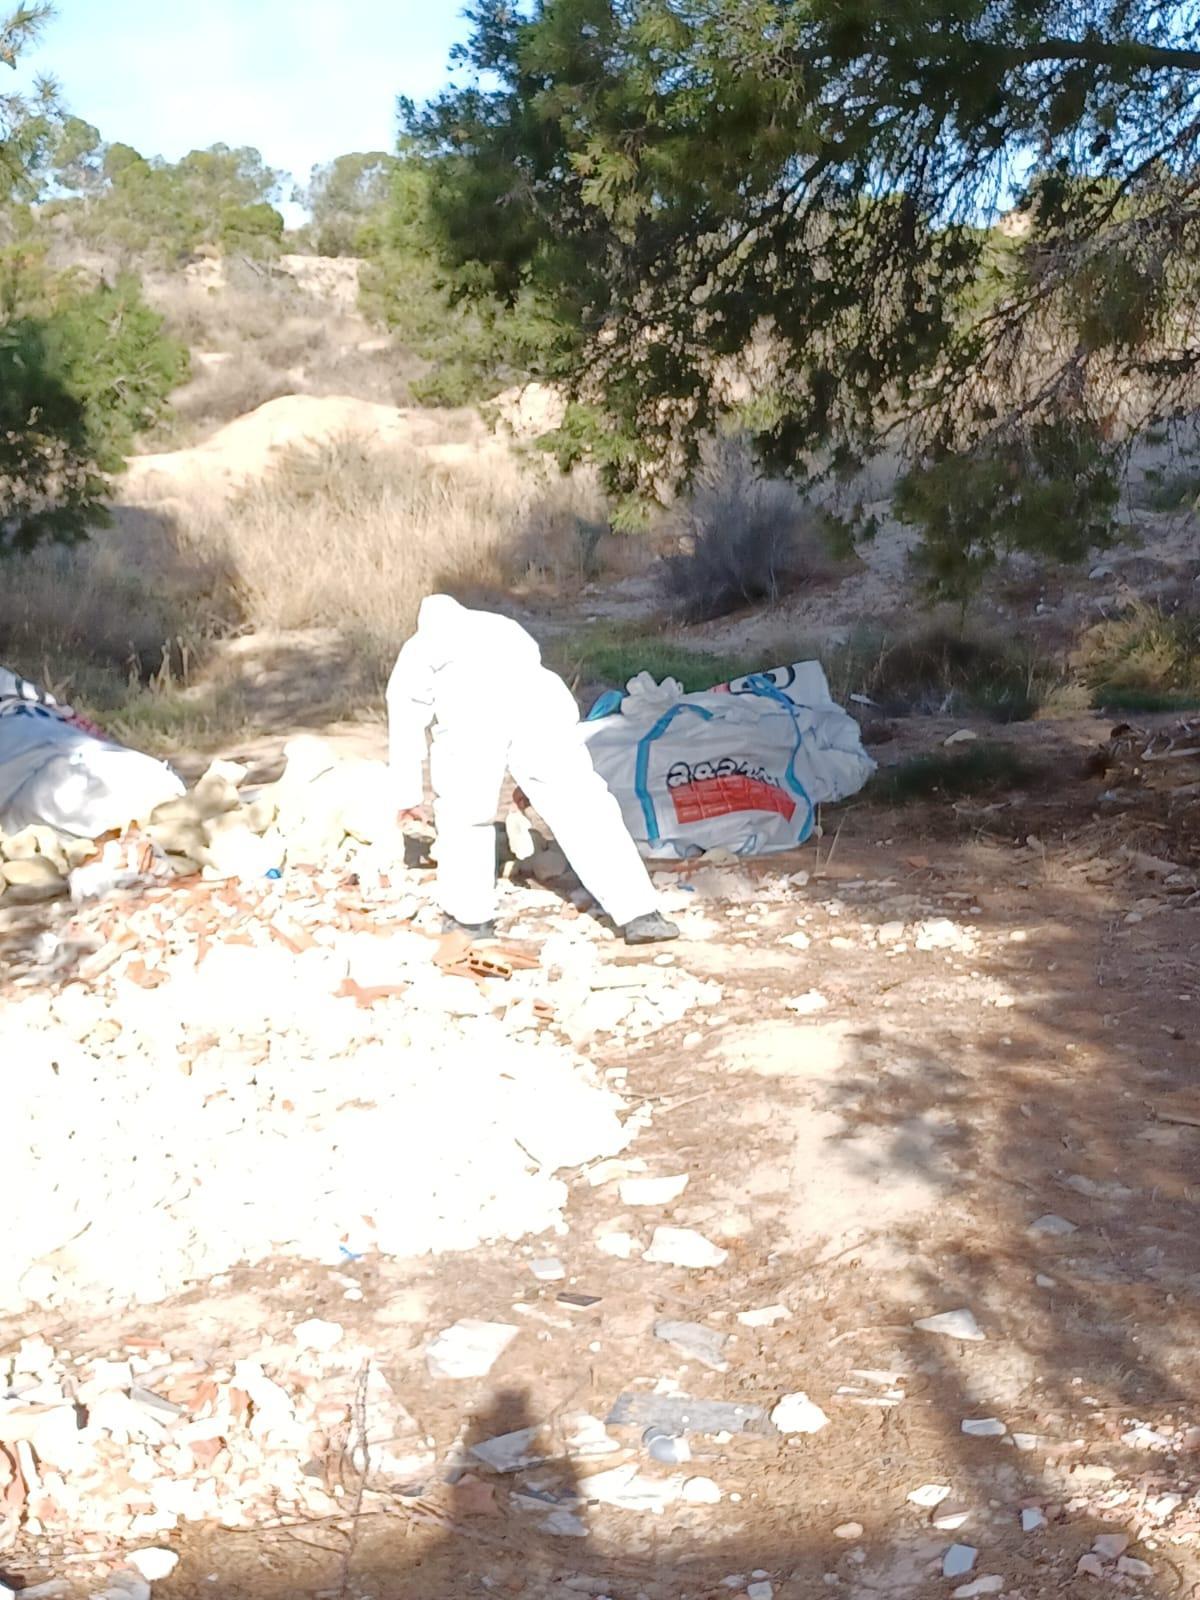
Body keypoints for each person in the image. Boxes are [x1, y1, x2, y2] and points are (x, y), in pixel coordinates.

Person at [387, 595, 680, 944]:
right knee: (581, 802)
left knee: (466, 814)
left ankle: (470, 920)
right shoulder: (501, 625)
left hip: (471, 705)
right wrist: (534, 776)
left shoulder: (421, 646)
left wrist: (405, 795)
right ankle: (641, 913)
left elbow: (405, 717)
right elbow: (531, 674)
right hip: (541, 701)